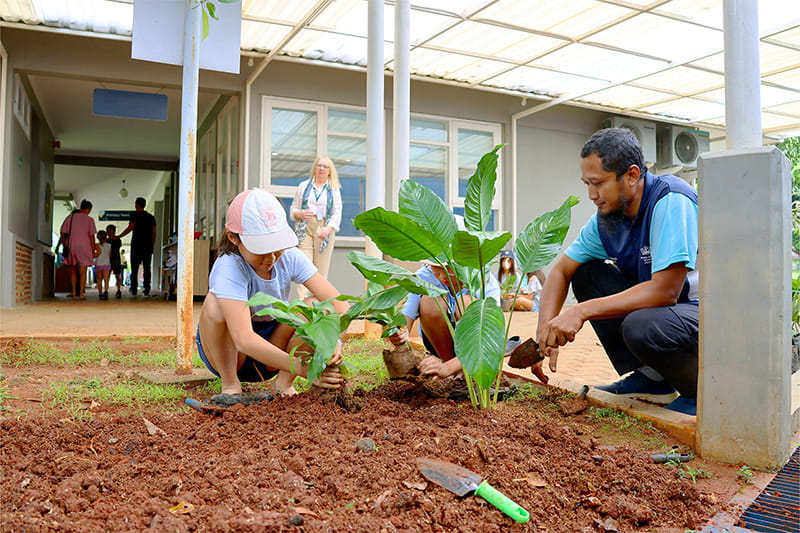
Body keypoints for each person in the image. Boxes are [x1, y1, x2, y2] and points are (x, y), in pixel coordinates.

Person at [534, 128, 699, 415]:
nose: (591, 195)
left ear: (632, 175)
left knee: (643, 325)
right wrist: (543, 334)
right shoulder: (607, 219)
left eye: (598, 183)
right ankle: (654, 378)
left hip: (704, 312)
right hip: (662, 313)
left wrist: (580, 311)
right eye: (586, 183)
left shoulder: (671, 200)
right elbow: (561, 270)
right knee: (587, 274)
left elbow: (666, 291)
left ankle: (698, 392)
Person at [197, 187, 347, 397]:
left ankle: (283, 384)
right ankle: (231, 386)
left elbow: (340, 305)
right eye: (261, 249)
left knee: (315, 307)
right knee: (214, 305)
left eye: (276, 247)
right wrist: (307, 369)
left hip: (274, 348)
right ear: (233, 237)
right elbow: (243, 339)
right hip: (233, 354)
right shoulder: (229, 266)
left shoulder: (290, 257)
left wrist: (332, 342)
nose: (271, 258)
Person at [388, 257, 501, 379]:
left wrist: (449, 367)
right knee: (431, 299)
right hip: (438, 345)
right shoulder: (422, 278)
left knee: (468, 303)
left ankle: (463, 368)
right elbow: (404, 319)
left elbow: (490, 341)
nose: (443, 275)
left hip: (476, 349)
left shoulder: (485, 282)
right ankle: (446, 364)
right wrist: (399, 333)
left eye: (449, 268)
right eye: (436, 268)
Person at [290, 156, 343, 300]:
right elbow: (293, 207)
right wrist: (299, 213)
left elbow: (337, 213)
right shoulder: (303, 186)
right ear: (314, 168)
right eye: (319, 165)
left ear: (330, 171)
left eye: (325, 166)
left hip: (324, 229)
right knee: (303, 265)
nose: (321, 169)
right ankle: (301, 303)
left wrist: (328, 229)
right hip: (304, 227)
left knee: (320, 270)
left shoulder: (334, 189)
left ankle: (317, 303)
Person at [59, 200, 99, 300]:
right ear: (88, 209)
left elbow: (62, 231)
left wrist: (65, 243)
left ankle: (73, 292)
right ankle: (81, 294)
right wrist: (93, 248)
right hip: (85, 247)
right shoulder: (90, 220)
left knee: (73, 270)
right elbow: (91, 236)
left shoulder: (71, 217)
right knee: (83, 271)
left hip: (72, 245)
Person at [118, 197, 157, 296]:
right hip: (147, 245)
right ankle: (146, 289)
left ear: (136, 204)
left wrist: (119, 236)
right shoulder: (151, 217)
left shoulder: (134, 215)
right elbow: (154, 232)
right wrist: (152, 245)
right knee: (147, 267)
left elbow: (131, 227)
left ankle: (134, 289)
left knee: (134, 267)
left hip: (136, 244)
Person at [106, 224, 123, 299]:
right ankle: (106, 290)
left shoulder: (118, 240)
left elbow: (115, 248)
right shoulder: (106, 240)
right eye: (107, 231)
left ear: (113, 231)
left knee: (117, 275)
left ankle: (118, 290)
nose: (108, 232)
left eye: (109, 230)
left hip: (116, 259)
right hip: (108, 260)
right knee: (107, 276)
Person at [94, 230, 112, 300]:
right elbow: (110, 255)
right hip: (107, 263)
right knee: (106, 279)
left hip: (98, 264)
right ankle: (106, 291)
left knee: (99, 280)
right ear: (106, 237)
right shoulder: (109, 245)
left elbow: (95, 255)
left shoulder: (96, 245)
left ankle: (100, 293)